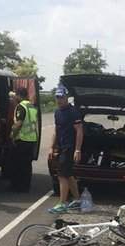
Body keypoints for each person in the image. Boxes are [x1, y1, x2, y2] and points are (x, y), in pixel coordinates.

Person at [48, 85, 83, 214]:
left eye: (61, 97)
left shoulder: (73, 112)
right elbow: (56, 131)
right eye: (57, 97)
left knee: (62, 175)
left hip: (70, 147)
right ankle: (77, 200)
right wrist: (52, 147)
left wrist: (77, 150)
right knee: (68, 175)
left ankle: (62, 203)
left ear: (66, 97)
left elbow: (79, 131)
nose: (59, 100)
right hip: (61, 147)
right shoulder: (57, 112)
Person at [9, 87, 38, 191]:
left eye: (16, 95)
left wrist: (12, 135)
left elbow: (19, 123)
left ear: (19, 95)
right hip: (32, 139)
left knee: (17, 164)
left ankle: (17, 187)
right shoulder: (31, 106)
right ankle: (25, 186)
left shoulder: (21, 106)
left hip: (22, 139)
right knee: (27, 165)